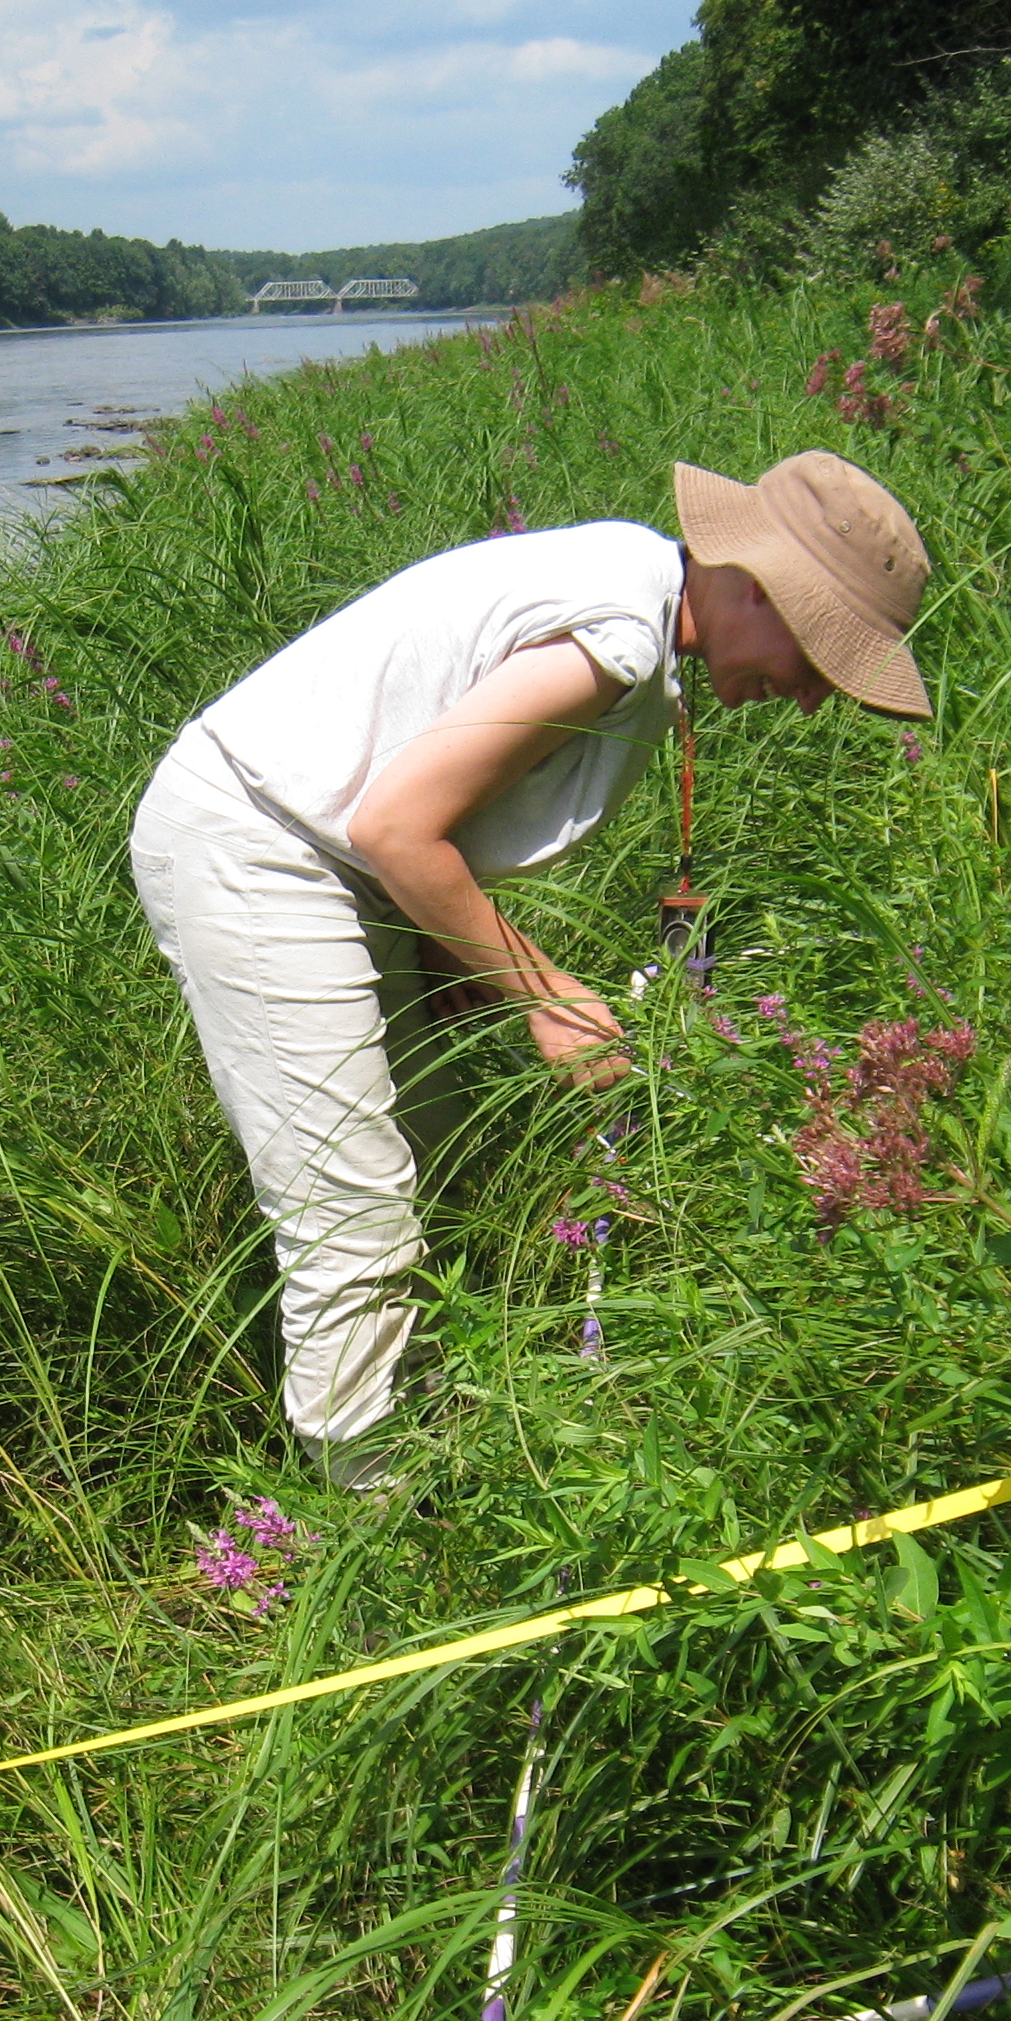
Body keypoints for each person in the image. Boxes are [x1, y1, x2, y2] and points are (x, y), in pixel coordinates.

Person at [129, 450, 933, 1486]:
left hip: (332, 855)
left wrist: (453, 948)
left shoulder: (641, 589)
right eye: (820, 660)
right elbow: (394, 821)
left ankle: (425, 1436)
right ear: (748, 583)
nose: (814, 700)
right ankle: (364, 1536)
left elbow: (409, 794)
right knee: (355, 1223)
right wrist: (544, 994)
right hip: (259, 847)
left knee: (439, 1137)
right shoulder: (617, 641)